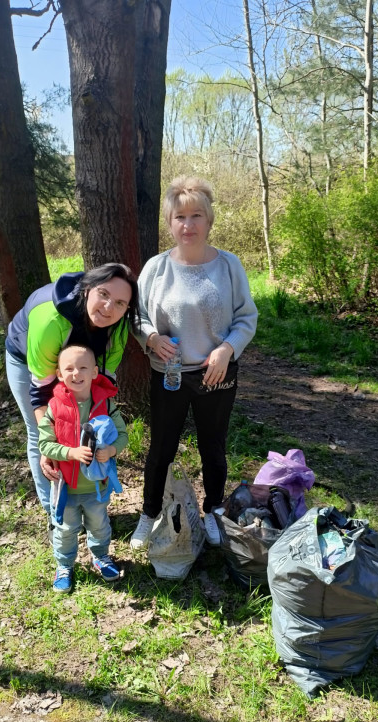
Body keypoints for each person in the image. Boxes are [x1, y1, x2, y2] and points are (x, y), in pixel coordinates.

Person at [131, 176, 258, 549]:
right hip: (168, 375)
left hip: (215, 374)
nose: (188, 225)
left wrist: (227, 349)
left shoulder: (230, 266)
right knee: (161, 449)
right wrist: (151, 337)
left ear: (209, 220)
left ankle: (214, 510)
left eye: (196, 215)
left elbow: (246, 318)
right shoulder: (155, 268)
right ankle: (148, 513)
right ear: (169, 223)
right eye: (180, 217)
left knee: (213, 447)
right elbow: (137, 315)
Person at [5, 262, 139, 516]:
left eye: (121, 303)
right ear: (88, 289)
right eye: (104, 294)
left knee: (78, 426)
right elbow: (41, 392)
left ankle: (87, 495)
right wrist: (50, 445)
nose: (109, 307)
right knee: (40, 432)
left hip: (82, 362)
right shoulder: (51, 320)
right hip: (29, 359)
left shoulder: (119, 326)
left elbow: (103, 383)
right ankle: (55, 511)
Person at [38, 344, 128, 593]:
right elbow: (44, 444)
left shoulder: (106, 404)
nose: (76, 373)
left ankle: (101, 557)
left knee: (99, 525)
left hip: (97, 487)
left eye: (82, 367)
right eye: (69, 368)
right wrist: (70, 453)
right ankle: (65, 565)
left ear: (95, 372)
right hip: (66, 486)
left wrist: (111, 450)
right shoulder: (55, 408)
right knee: (66, 529)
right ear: (58, 374)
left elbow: (122, 435)